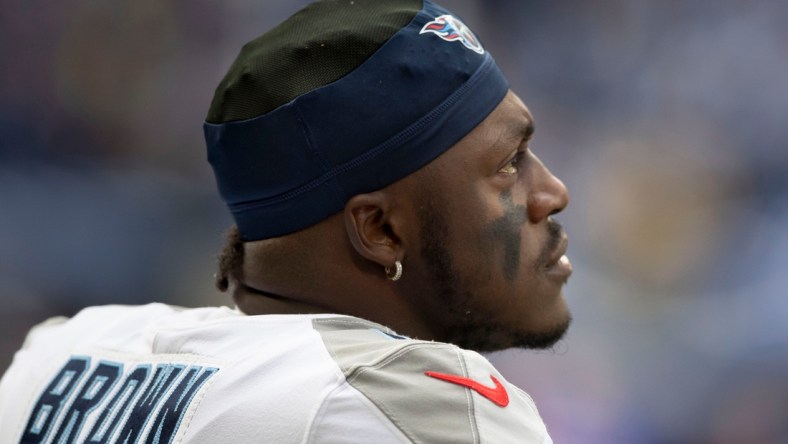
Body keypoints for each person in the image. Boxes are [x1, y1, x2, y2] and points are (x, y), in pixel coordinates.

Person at [0, 0, 572, 442]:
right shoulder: (403, 401)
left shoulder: (60, 353)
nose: (552, 192)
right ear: (380, 231)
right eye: (508, 166)